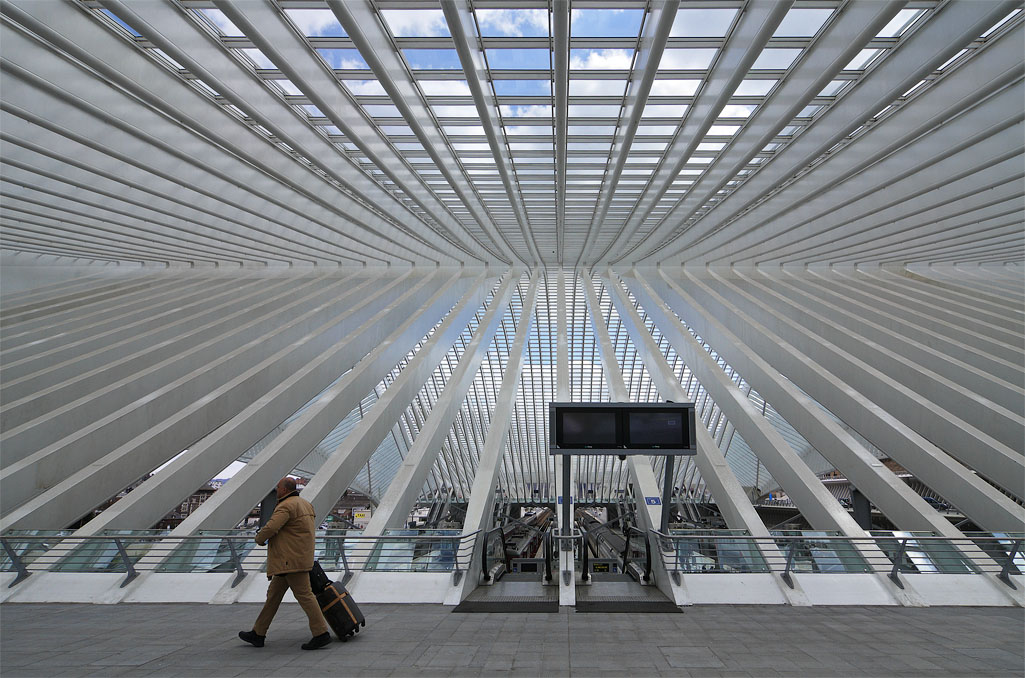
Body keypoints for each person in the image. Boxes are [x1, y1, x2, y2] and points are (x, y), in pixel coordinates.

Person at [238, 476, 332, 650]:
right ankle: (258, 633)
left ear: (284, 490)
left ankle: (321, 633)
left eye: (278, 487)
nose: (277, 490)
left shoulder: (286, 506)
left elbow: (272, 527)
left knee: (305, 595)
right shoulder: (305, 504)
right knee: (273, 597)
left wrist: (259, 538)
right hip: (297, 558)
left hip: (289, 561)